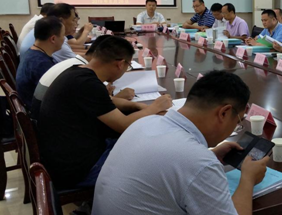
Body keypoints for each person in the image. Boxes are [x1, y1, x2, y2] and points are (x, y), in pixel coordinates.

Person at [84, 71, 282, 215]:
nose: (235, 127)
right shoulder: (197, 162)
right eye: (238, 121)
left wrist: (211, 155)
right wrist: (247, 180)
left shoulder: (146, 123)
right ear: (224, 112)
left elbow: (170, 165)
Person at [38, 36, 172, 190]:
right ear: (120, 64)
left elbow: (107, 101)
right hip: (79, 169)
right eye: (128, 66)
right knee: (153, 159)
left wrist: (135, 105)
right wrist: (154, 108)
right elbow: (124, 125)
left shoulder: (77, 71)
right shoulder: (88, 84)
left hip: (65, 155)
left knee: (139, 144)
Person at [31, 36, 135, 121]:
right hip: (59, 132)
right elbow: (123, 124)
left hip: (44, 121)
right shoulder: (86, 80)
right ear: (120, 64)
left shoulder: (76, 67)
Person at [15, 17, 65, 111]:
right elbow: (57, 96)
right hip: (41, 113)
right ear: (53, 39)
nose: (64, 39)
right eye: (63, 35)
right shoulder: (41, 64)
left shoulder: (32, 53)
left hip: (34, 106)